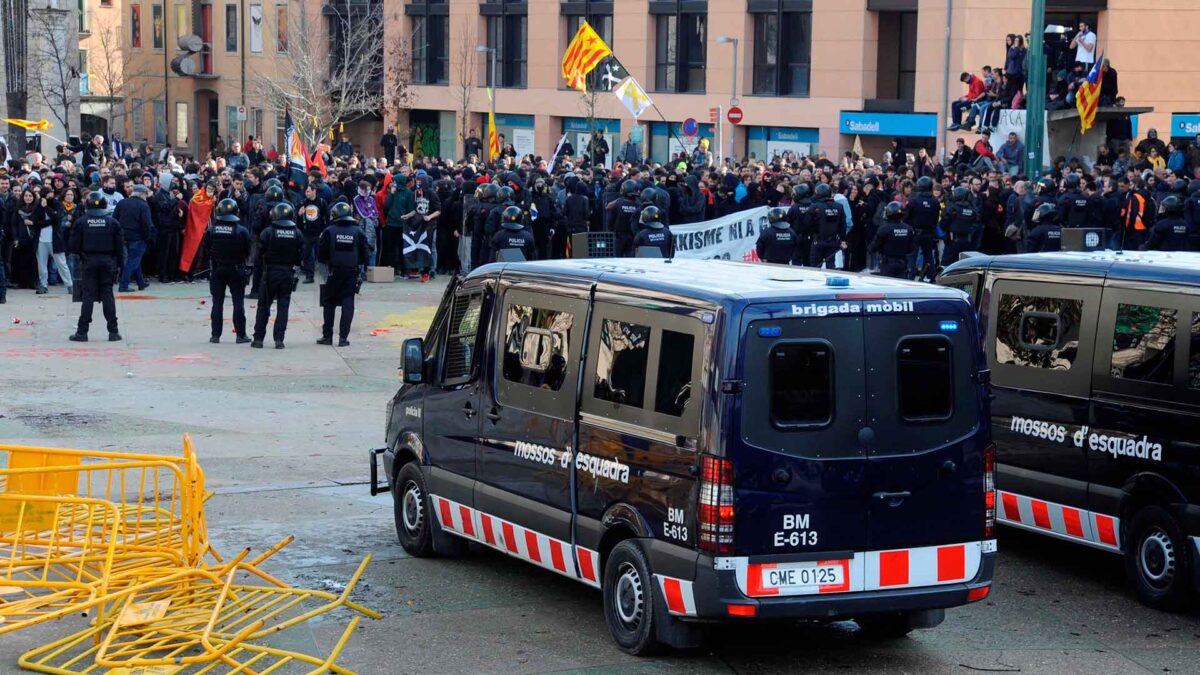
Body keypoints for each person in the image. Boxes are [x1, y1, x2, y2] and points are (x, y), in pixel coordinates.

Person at [69, 192, 124, 342]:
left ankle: (82, 332)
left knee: (88, 296)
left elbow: (73, 246)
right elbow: (120, 247)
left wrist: (82, 254)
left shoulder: (81, 222)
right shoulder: (112, 222)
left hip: (89, 261)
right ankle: (113, 332)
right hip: (108, 261)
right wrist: (120, 266)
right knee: (108, 295)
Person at [252, 202, 304, 349]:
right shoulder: (297, 232)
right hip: (287, 272)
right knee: (283, 306)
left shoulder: (268, 232)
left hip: (270, 272)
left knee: (263, 306)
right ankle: (279, 339)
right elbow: (302, 255)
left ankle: (258, 339)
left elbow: (259, 255)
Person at [317, 201, 369, 347]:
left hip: (334, 271)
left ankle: (327, 336)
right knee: (348, 302)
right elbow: (365, 253)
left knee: (329, 303)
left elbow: (321, 254)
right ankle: (343, 338)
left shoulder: (329, 231)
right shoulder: (358, 231)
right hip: (351, 271)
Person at [205, 198, 253, 344]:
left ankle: (215, 335)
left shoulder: (212, 230)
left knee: (217, 303)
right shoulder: (241, 231)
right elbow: (247, 251)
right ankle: (240, 335)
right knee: (238, 302)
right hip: (236, 269)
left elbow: (207, 249)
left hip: (217, 269)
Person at [115, 184, 155, 292]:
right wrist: (147, 237)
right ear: (142, 194)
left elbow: (115, 219)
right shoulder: (143, 205)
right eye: (146, 194)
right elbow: (146, 224)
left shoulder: (122, 203)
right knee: (133, 261)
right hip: (138, 237)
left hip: (123, 236)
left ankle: (141, 282)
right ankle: (123, 285)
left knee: (134, 260)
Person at [905, 176, 941, 280]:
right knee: (929, 256)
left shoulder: (914, 201)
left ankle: (910, 278)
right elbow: (936, 219)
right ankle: (931, 277)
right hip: (929, 233)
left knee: (912, 256)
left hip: (915, 233)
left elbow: (906, 217)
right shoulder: (935, 202)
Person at [868, 202, 915, 278]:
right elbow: (911, 248)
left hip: (888, 263)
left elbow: (873, 246)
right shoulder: (909, 229)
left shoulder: (884, 228)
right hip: (903, 262)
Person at [807, 183, 846, 268]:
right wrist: (842, 239)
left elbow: (808, 223)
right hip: (833, 241)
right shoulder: (839, 206)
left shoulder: (815, 207)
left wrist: (812, 234)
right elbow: (843, 225)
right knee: (830, 265)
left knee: (815, 266)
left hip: (818, 240)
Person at [941, 186, 981, 265]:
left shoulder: (953, 208)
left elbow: (944, 223)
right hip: (967, 240)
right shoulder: (971, 209)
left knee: (946, 263)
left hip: (953, 240)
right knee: (963, 264)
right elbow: (976, 218)